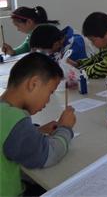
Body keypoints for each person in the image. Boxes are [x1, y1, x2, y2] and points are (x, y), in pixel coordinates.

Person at [1, 53, 76, 197]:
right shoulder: (14, 118)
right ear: (33, 84)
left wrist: (37, 131)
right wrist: (65, 128)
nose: (48, 101)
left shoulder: (4, 112)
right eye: (50, 92)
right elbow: (49, 154)